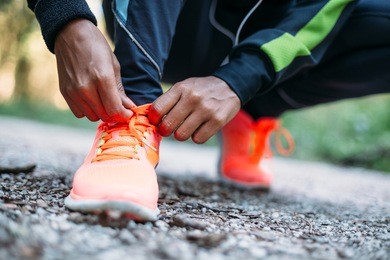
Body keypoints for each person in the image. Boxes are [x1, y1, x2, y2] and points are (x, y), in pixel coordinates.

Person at [27, 0, 390, 221]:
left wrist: (240, 81)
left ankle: (253, 111)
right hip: (168, 21)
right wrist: (64, 17)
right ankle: (130, 113)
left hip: (274, 29)